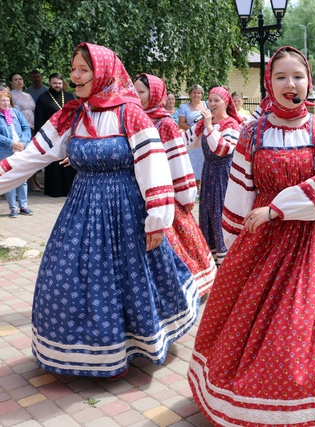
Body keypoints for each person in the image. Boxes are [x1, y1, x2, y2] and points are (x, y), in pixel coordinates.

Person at [188, 46, 315, 426]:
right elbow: (239, 190)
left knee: (304, 329)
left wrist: (278, 208)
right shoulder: (253, 131)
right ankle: (255, 407)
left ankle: (311, 410)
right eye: (280, 77)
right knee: (251, 326)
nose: (290, 84)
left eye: (297, 76)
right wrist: (233, 247)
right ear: (269, 83)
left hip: (311, 240)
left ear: (308, 82)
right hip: (262, 242)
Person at [0, 43, 199, 379]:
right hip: (81, 207)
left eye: (83, 70)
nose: (74, 76)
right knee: (67, 277)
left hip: (126, 209)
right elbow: (29, 157)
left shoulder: (131, 113)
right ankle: (85, 350)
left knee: (131, 279)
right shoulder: (72, 114)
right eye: (73, 68)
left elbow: (153, 165)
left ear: (103, 73)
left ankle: (135, 343)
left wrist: (157, 219)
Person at [133, 73, 216, 296]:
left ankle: (190, 287)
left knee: (179, 240)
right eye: (134, 91)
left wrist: (185, 195)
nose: (136, 96)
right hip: (138, 192)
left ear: (155, 94)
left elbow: (177, 160)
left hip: (165, 192)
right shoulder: (133, 119)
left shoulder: (164, 123)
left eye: (141, 92)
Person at [182, 87, 242, 267]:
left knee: (220, 214)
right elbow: (186, 142)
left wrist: (208, 126)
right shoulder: (204, 124)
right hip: (209, 174)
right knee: (207, 214)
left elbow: (222, 149)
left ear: (225, 103)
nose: (212, 104)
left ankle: (227, 259)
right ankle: (211, 258)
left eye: (217, 100)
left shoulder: (231, 124)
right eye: (210, 100)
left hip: (224, 175)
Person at [33, 73, 77, 197]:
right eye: (54, 83)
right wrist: (40, 138)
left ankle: (70, 189)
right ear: (50, 83)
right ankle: (54, 190)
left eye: (59, 83)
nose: (57, 86)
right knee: (54, 164)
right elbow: (39, 119)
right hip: (51, 136)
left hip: (68, 135)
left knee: (68, 163)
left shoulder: (70, 96)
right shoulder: (43, 98)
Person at [0, 90, 33, 218]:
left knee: (22, 179)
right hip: (5, 151)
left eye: (7, 100)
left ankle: (23, 206)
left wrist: (23, 143)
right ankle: (13, 208)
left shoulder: (16, 113)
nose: (6, 102)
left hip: (20, 149)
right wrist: (11, 143)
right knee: (9, 179)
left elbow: (26, 128)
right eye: (3, 100)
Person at [178, 85, 206, 193]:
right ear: (190, 94)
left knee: (203, 162)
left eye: (198, 92)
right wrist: (194, 129)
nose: (196, 95)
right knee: (192, 162)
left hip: (204, 138)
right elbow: (181, 123)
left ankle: (202, 188)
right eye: (194, 92)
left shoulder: (206, 105)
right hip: (191, 138)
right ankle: (193, 188)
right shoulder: (184, 107)